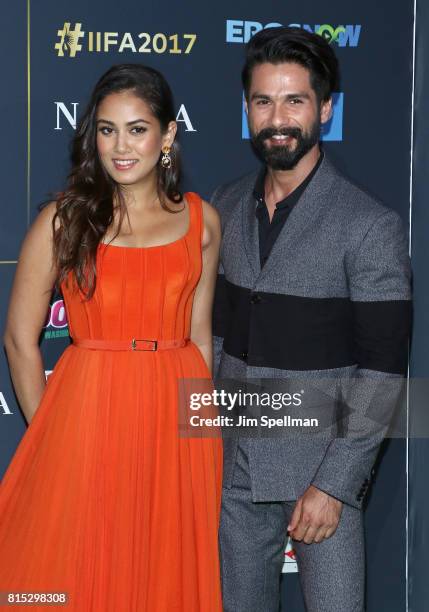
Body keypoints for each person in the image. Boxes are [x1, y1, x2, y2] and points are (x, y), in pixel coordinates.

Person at [0, 63, 223, 611]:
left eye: (137, 129)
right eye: (106, 129)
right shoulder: (64, 221)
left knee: (164, 575)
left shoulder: (202, 221)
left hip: (178, 423)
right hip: (89, 414)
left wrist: (201, 439)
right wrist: (50, 430)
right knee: (75, 571)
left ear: (167, 135)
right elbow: (18, 339)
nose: (121, 146)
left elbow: (200, 334)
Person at [211, 27, 412, 612]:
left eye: (294, 100)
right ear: (246, 108)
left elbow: (381, 370)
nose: (278, 118)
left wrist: (334, 485)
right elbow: (215, 335)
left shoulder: (369, 227)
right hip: (231, 469)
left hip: (321, 478)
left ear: (325, 108)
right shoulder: (222, 205)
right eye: (263, 101)